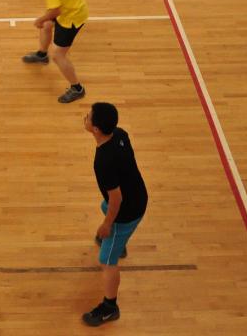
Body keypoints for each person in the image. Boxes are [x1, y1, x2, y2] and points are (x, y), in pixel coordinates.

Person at [81, 102, 148, 327]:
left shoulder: (103, 162)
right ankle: (119, 242)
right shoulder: (120, 134)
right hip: (139, 196)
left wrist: (107, 225)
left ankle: (110, 308)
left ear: (96, 129)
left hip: (126, 212)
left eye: (89, 116)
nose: (85, 117)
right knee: (104, 205)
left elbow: (116, 199)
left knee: (107, 261)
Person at [21, 0, 87, 103]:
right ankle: (42, 55)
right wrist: (45, 20)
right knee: (47, 25)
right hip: (68, 6)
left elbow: (55, 10)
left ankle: (77, 88)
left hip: (72, 16)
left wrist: (40, 19)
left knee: (58, 55)